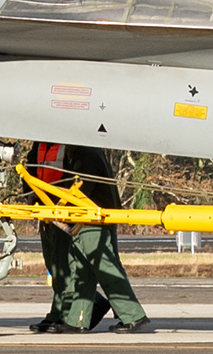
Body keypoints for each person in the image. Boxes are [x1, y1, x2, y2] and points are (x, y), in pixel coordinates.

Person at [28, 140, 149, 333]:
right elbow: (33, 170)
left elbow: (83, 186)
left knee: (102, 266)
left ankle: (132, 315)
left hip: (89, 216)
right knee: (79, 270)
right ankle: (76, 319)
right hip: (67, 213)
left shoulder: (83, 149)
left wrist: (64, 211)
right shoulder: (47, 146)